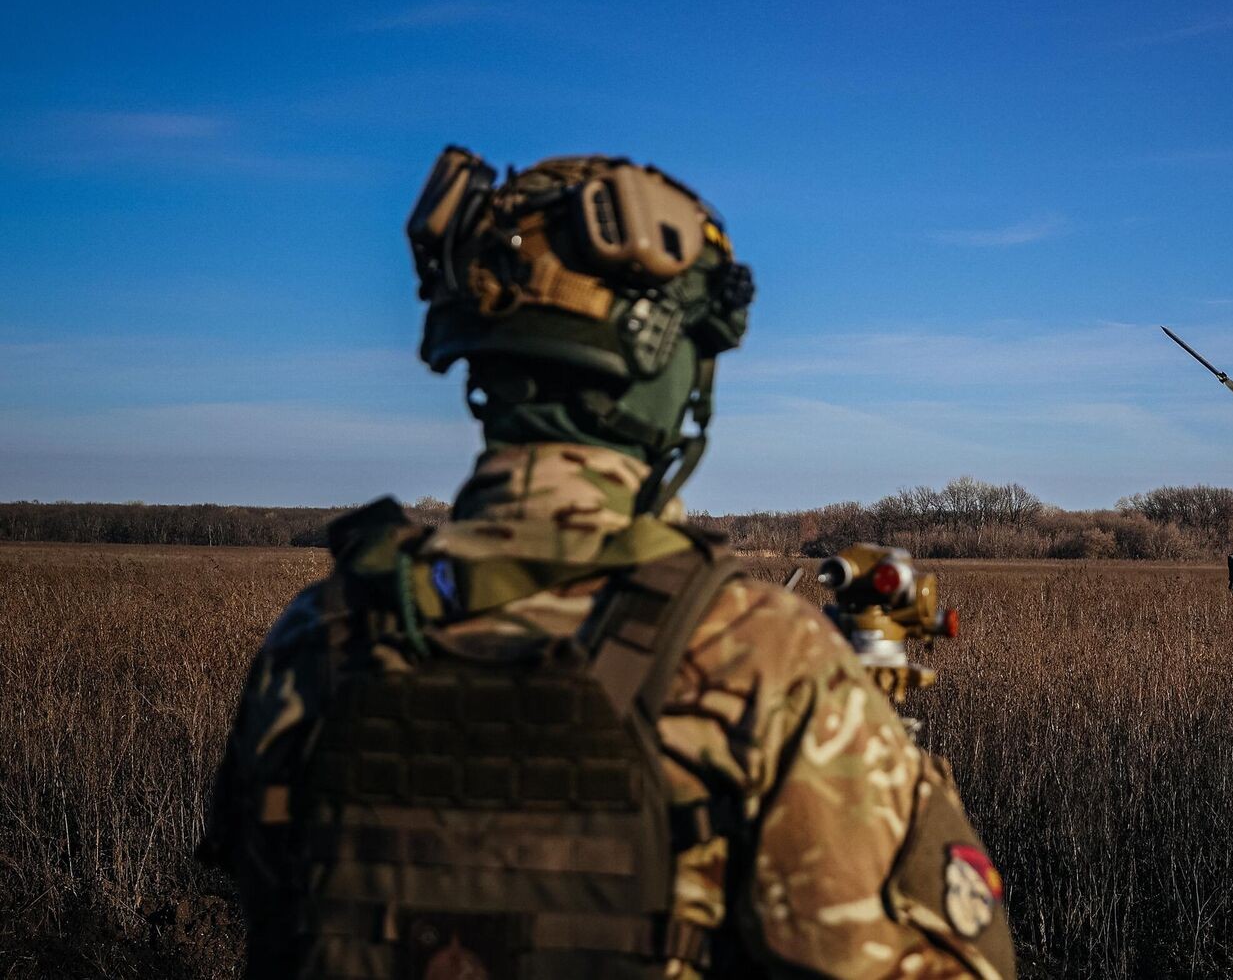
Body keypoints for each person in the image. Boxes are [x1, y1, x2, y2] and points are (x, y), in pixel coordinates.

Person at [198, 148, 1016, 979]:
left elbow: (271, 909)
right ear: (668, 366)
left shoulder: (320, 633)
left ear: (482, 354)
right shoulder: (764, 657)